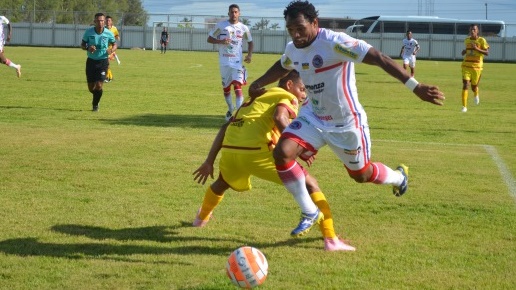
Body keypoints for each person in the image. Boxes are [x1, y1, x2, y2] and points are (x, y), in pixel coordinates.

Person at [248, 1, 445, 250]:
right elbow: (284, 63)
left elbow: (379, 58)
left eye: (300, 28)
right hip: (313, 117)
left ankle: (398, 177)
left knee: (361, 175)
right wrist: (258, 82)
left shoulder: (335, 42)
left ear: (314, 23)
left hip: (346, 123)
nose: (295, 35)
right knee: (282, 152)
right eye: (290, 30)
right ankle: (309, 211)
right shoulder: (293, 48)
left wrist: (415, 87)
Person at [192, 70, 355, 251]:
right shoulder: (285, 96)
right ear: (289, 85)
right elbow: (280, 117)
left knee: (222, 183)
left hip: (231, 150)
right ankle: (331, 239)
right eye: (302, 89)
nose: (302, 96)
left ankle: (200, 219)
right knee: (310, 184)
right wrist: (297, 144)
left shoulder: (256, 98)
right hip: (257, 152)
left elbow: (225, 126)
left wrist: (209, 161)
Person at [207, 4, 254, 121]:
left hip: (237, 62)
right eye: (232, 12)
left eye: (236, 12)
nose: (234, 14)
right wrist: (221, 41)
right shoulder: (221, 26)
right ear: (228, 13)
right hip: (224, 62)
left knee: (238, 86)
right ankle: (230, 108)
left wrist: (249, 55)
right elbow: (209, 39)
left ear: (239, 13)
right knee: (226, 88)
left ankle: (239, 115)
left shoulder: (244, 28)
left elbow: (250, 42)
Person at [81, 13, 117, 112]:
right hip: (91, 62)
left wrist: (112, 50)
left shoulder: (108, 33)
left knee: (99, 85)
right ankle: (97, 97)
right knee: (91, 88)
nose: (100, 22)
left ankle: (95, 105)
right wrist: (88, 47)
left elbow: (115, 44)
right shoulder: (89, 32)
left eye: (102, 20)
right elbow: (83, 44)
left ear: (104, 21)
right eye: (98, 20)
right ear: (95, 21)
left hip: (103, 62)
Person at [460, 24, 489, 113]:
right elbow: (466, 50)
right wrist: (464, 51)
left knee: (474, 87)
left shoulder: (481, 40)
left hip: (477, 67)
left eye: (474, 29)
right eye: (471, 30)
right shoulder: (467, 40)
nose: (472, 31)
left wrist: (476, 48)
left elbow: (487, 52)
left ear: (477, 31)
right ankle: (464, 107)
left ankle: (476, 93)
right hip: (466, 66)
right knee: (465, 85)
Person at [105, 15, 120, 83]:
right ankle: (110, 77)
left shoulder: (114, 29)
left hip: (111, 49)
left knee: (106, 63)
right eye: (107, 20)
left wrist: (117, 38)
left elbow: (117, 36)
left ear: (111, 22)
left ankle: (107, 78)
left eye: (109, 20)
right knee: (106, 64)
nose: (107, 22)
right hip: (104, 48)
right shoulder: (103, 29)